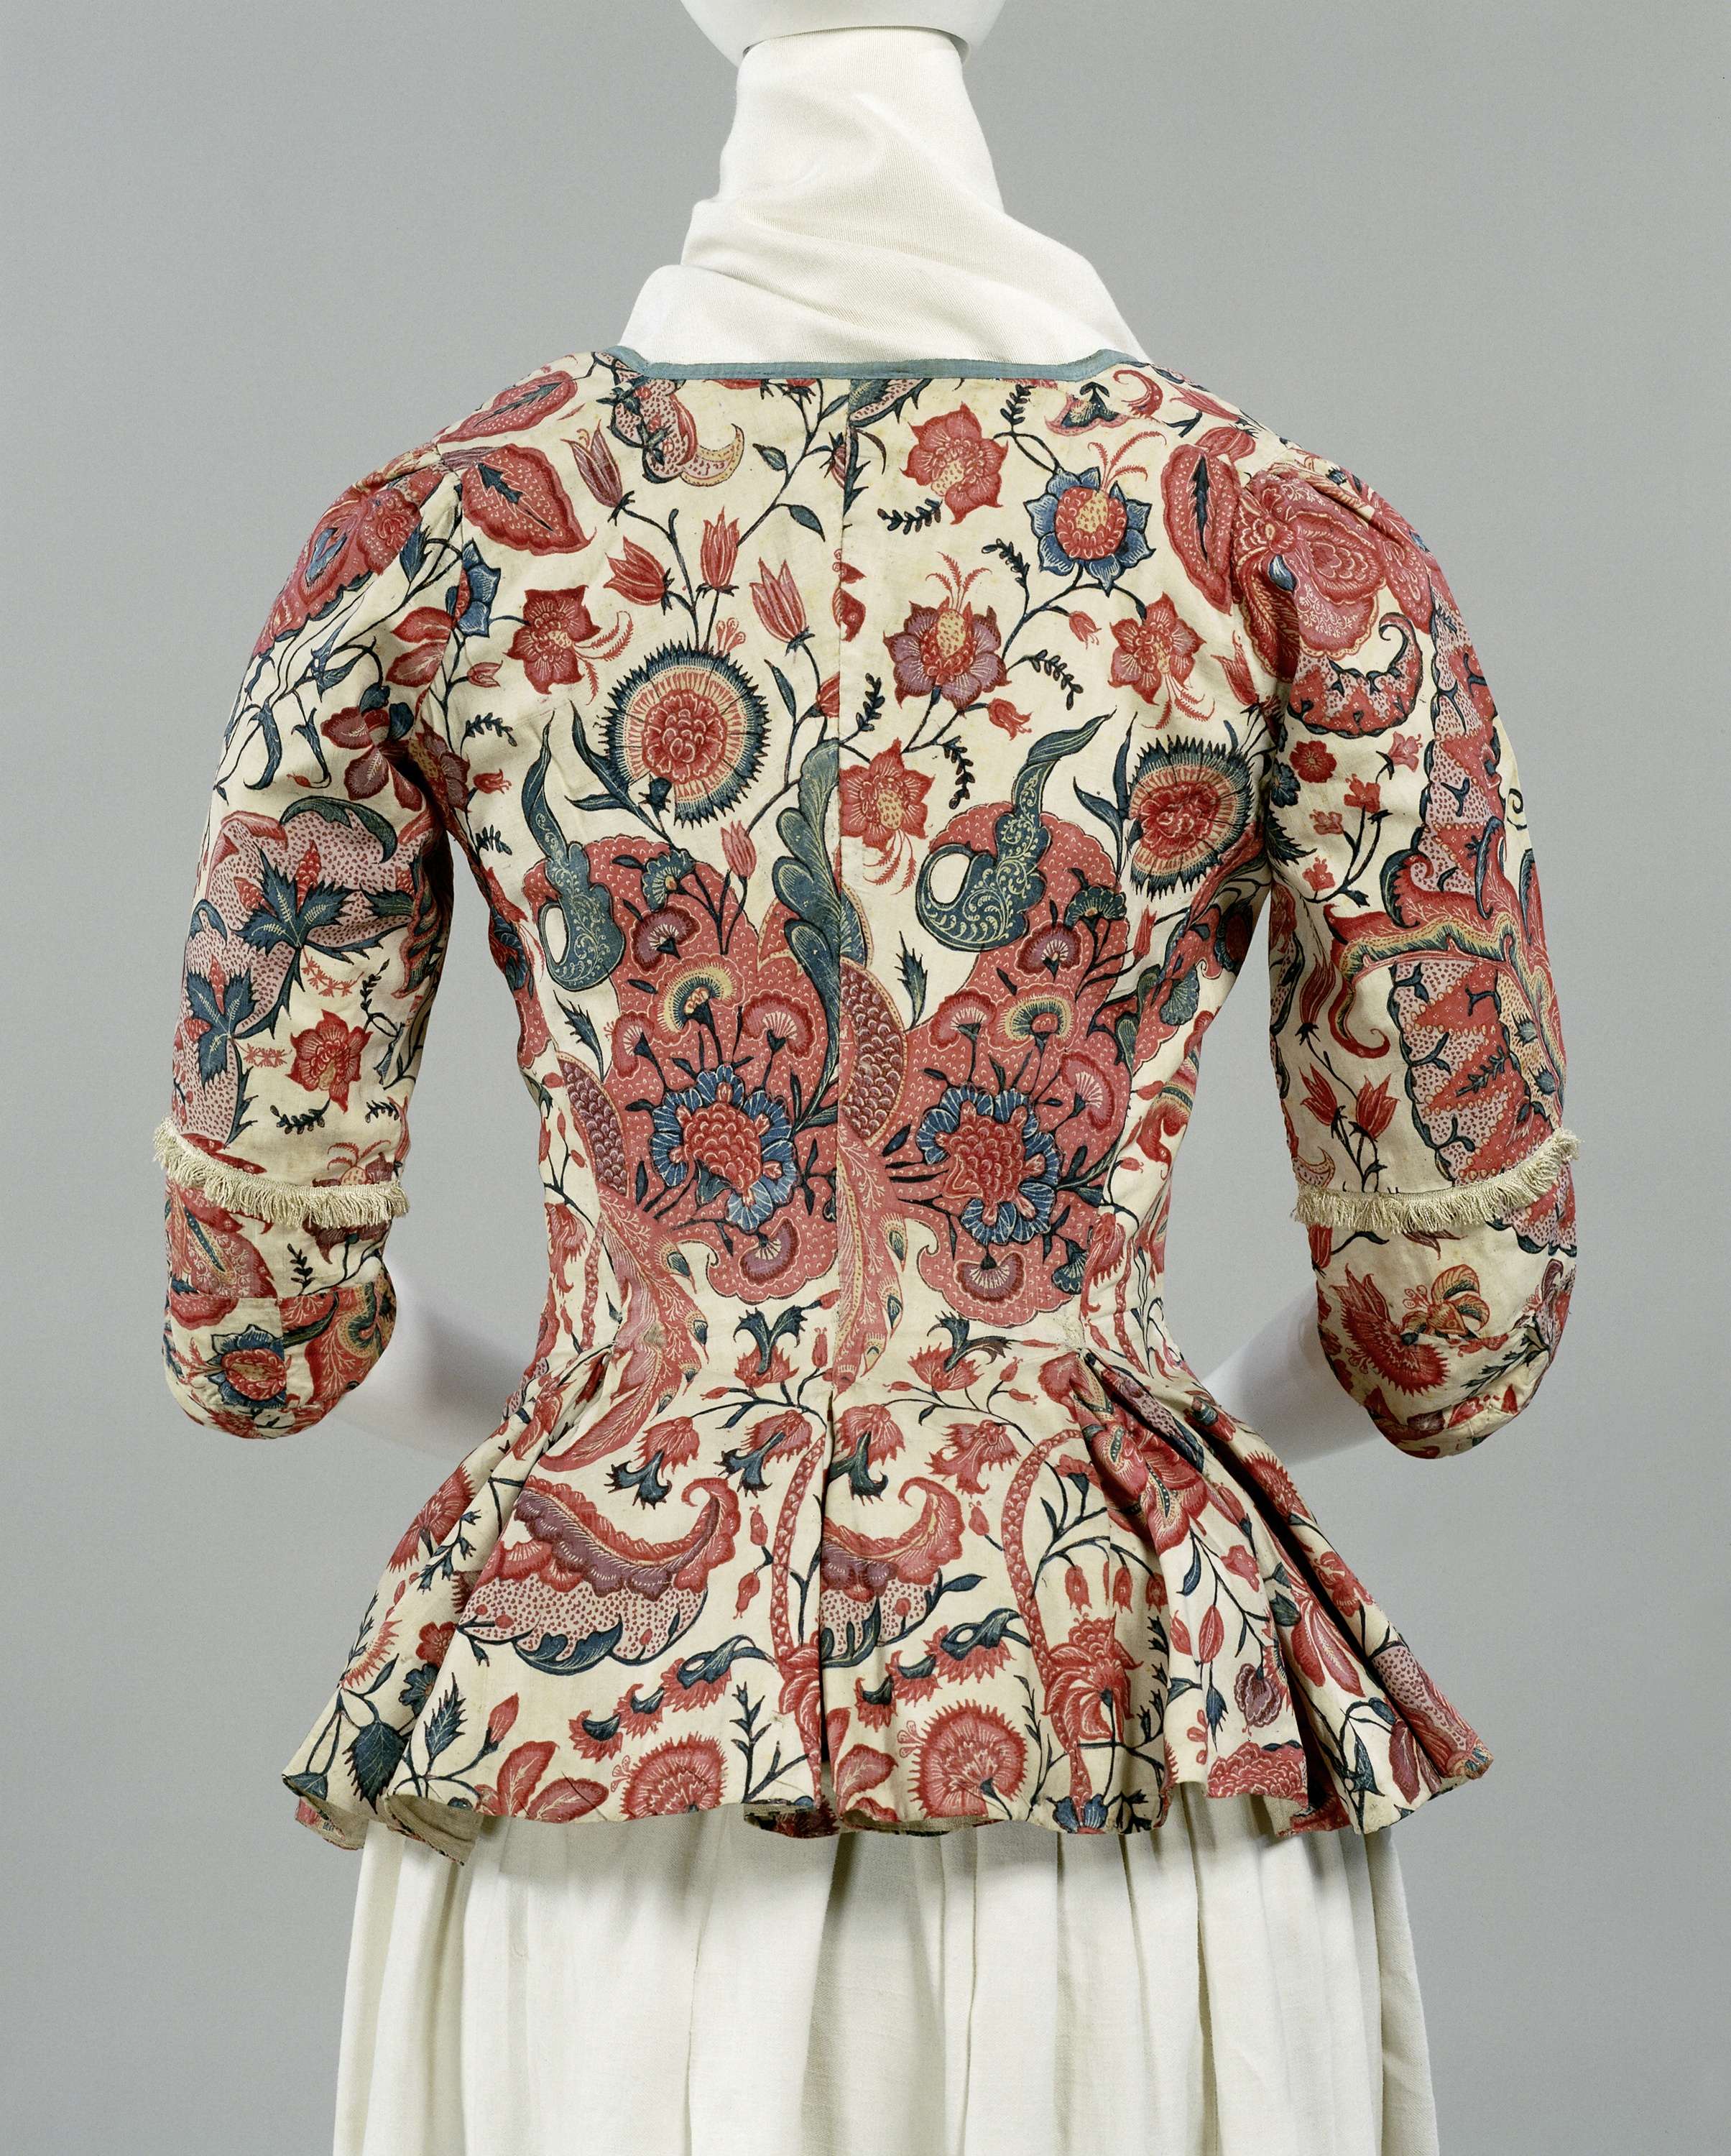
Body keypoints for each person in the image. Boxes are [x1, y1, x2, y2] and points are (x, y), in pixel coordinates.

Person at [157, 6, 1578, 2150]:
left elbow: (253, 1325)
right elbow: (1455, 1337)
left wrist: (613, 1424)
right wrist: (1125, 1431)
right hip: (1115, 1740)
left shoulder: (434, 546)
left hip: (595, 1751)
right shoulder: (1287, 551)